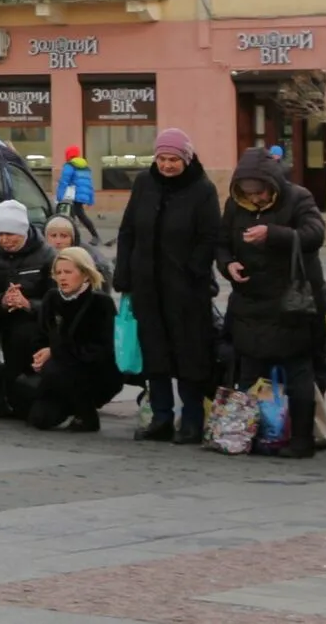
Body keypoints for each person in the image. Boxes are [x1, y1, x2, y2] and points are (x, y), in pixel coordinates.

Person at [113, 127, 221, 445]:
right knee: (155, 355)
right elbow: (128, 230)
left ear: (185, 159)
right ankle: (160, 418)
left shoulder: (203, 189)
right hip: (147, 287)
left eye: (173, 159)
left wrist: (194, 272)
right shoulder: (145, 184)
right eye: (162, 158)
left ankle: (191, 420)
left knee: (189, 356)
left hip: (187, 290)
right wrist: (125, 273)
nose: (167, 165)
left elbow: (210, 237)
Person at [218, 147, 326, 459]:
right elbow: (222, 243)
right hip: (251, 302)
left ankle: (301, 440)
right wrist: (228, 265)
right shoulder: (234, 206)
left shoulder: (299, 197)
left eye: (260, 192)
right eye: (248, 193)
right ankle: (249, 434)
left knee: (298, 373)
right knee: (251, 373)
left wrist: (273, 233)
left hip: (291, 303)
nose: (255, 199)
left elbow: (315, 233)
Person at [24, 246, 121, 432]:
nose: (62, 277)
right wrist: (39, 354)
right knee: (39, 418)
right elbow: (40, 335)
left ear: (85, 274)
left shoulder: (101, 303)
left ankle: (87, 415)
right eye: (58, 272)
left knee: (56, 369)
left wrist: (55, 352)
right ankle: (67, 405)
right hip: (59, 369)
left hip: (94, 371)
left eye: (68, 272)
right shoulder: (51, 298)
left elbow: (102, 349)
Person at [0, 199, 53, 415]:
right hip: (9, 333)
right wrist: (3, 301)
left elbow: (56, 303)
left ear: (23, 231)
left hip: (39, 332)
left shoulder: (47, 255)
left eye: (10, 234)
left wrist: (27, 304)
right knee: (18, 397)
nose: (4, 240)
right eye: (0, 234)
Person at [55, 145, 100, 244]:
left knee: (76, 215)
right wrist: (91, 199)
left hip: (72, 195)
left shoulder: (69, 166)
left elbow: (64, 182)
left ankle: (93, 237)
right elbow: (89, 184)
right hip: (81, 195)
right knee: (76, 215)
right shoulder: (85, 167)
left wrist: (59, 196)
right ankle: (77, 238)